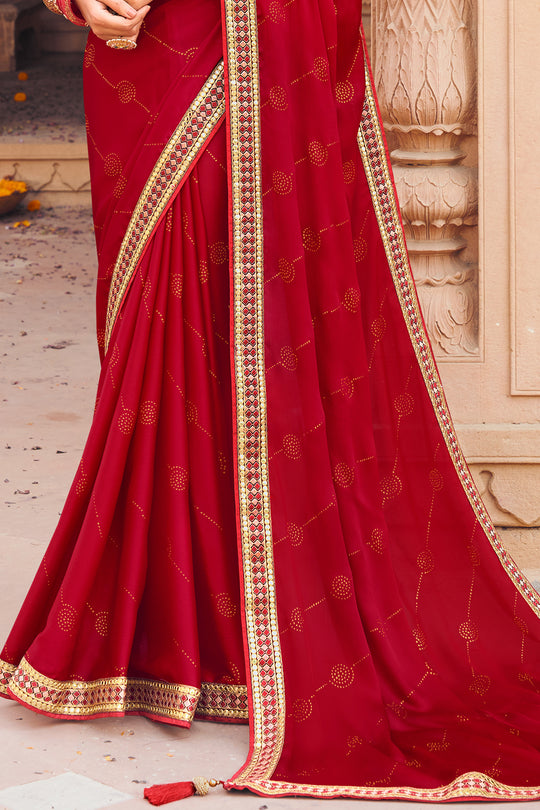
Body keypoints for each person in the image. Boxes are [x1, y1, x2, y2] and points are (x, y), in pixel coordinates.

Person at [2, 0, 540, 803]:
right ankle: (170, 634)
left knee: (260, 302)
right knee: (164, 310)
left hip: (283, 34)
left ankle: (247, 638)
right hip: (149, 39)